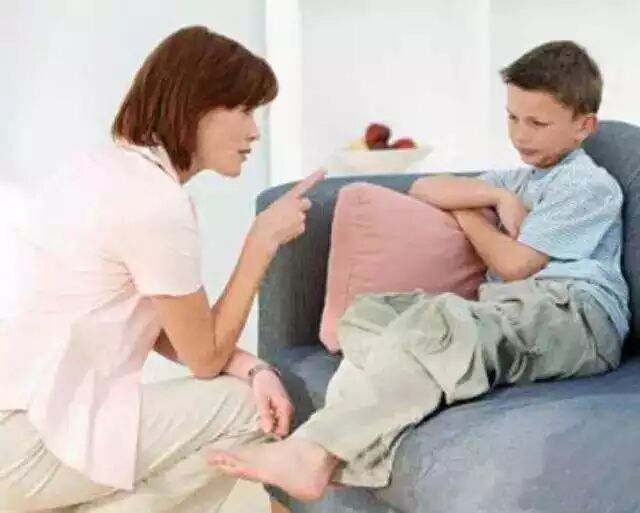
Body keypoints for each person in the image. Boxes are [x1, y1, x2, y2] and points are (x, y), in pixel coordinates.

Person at [208, 40, 629, 502]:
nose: (520, 134)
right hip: (508, 309)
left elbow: (515, 265)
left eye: (537, 123)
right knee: (371, 316)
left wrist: (468, 212)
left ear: (583, 126)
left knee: (438, 322)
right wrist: (492, 198)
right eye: (512, 118)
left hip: (573, 316)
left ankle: (315, 451)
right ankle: (371, 416)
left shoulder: (588, 185)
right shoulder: (521, 180)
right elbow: (425, 188)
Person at [0, 25, 324, 512]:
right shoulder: (155, 203)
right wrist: (261, 241)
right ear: (196, 108)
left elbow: (169, 333)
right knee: (247, 411)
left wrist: (254, 367)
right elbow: (203, 358)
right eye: (244, 109)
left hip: (20, 426)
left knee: (240, 398)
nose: (255, 131)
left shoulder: (99, 171)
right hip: (27, 443)